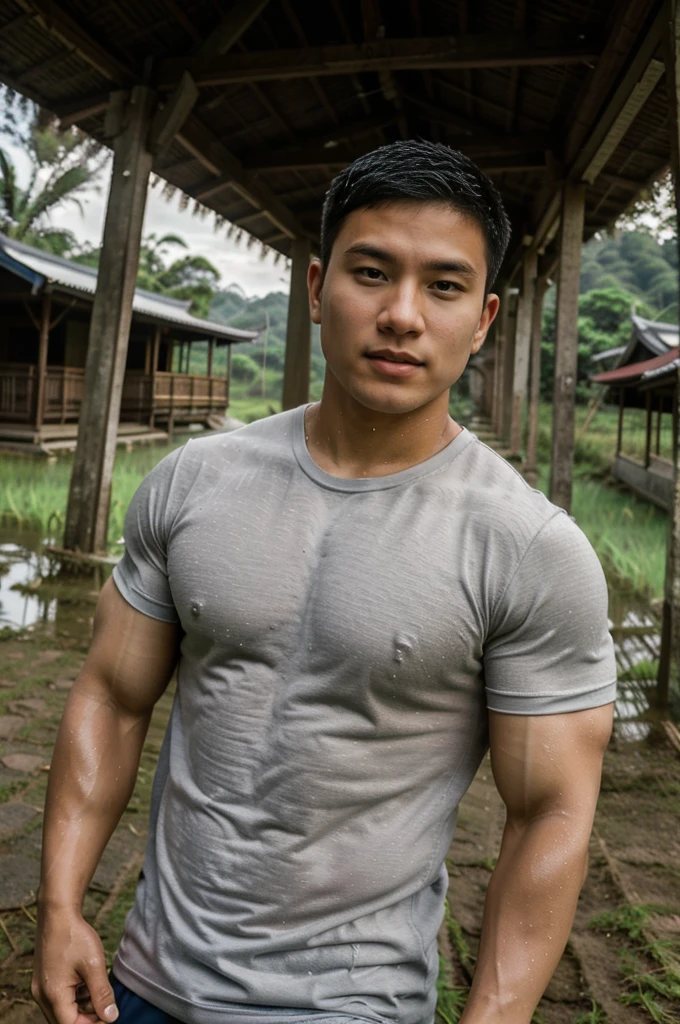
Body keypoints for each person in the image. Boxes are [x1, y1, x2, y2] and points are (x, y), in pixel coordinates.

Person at [32, 140, 616, 1024]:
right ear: (316, 288)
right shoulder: (194, 482)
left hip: (352, 1003)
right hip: (142, 983)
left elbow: (552, 813)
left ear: (485, 317)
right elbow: (112, 697)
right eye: (372, 272)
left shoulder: (528, 547)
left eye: (445, 286)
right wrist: (61, 907)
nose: (403, 315)